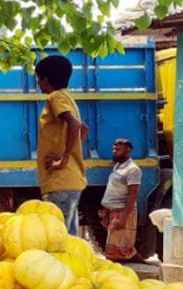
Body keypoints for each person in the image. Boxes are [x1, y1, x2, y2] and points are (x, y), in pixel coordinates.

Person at [34, 55, 89, 236]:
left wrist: (63, 159)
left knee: (59, 237)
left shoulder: (55, 97)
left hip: (60, 181)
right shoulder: (67, 97)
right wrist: (70, 153)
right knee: (70, 236)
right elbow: (83, 129)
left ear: (45, 80)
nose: (38, 84)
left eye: (38, 79)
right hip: (70, 180)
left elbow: (75, 124)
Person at [99, 139, 143, 262]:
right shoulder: (118, 166)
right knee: (122, 249)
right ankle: (146, 266)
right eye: (114, 149)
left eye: (118, 149)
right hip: (114, 212)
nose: (114, 151)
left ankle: (144, 268)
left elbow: (133, 195)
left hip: (122, 212)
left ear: (128, 151)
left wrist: (123, 218)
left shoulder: (133, 170)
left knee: (118, 251)